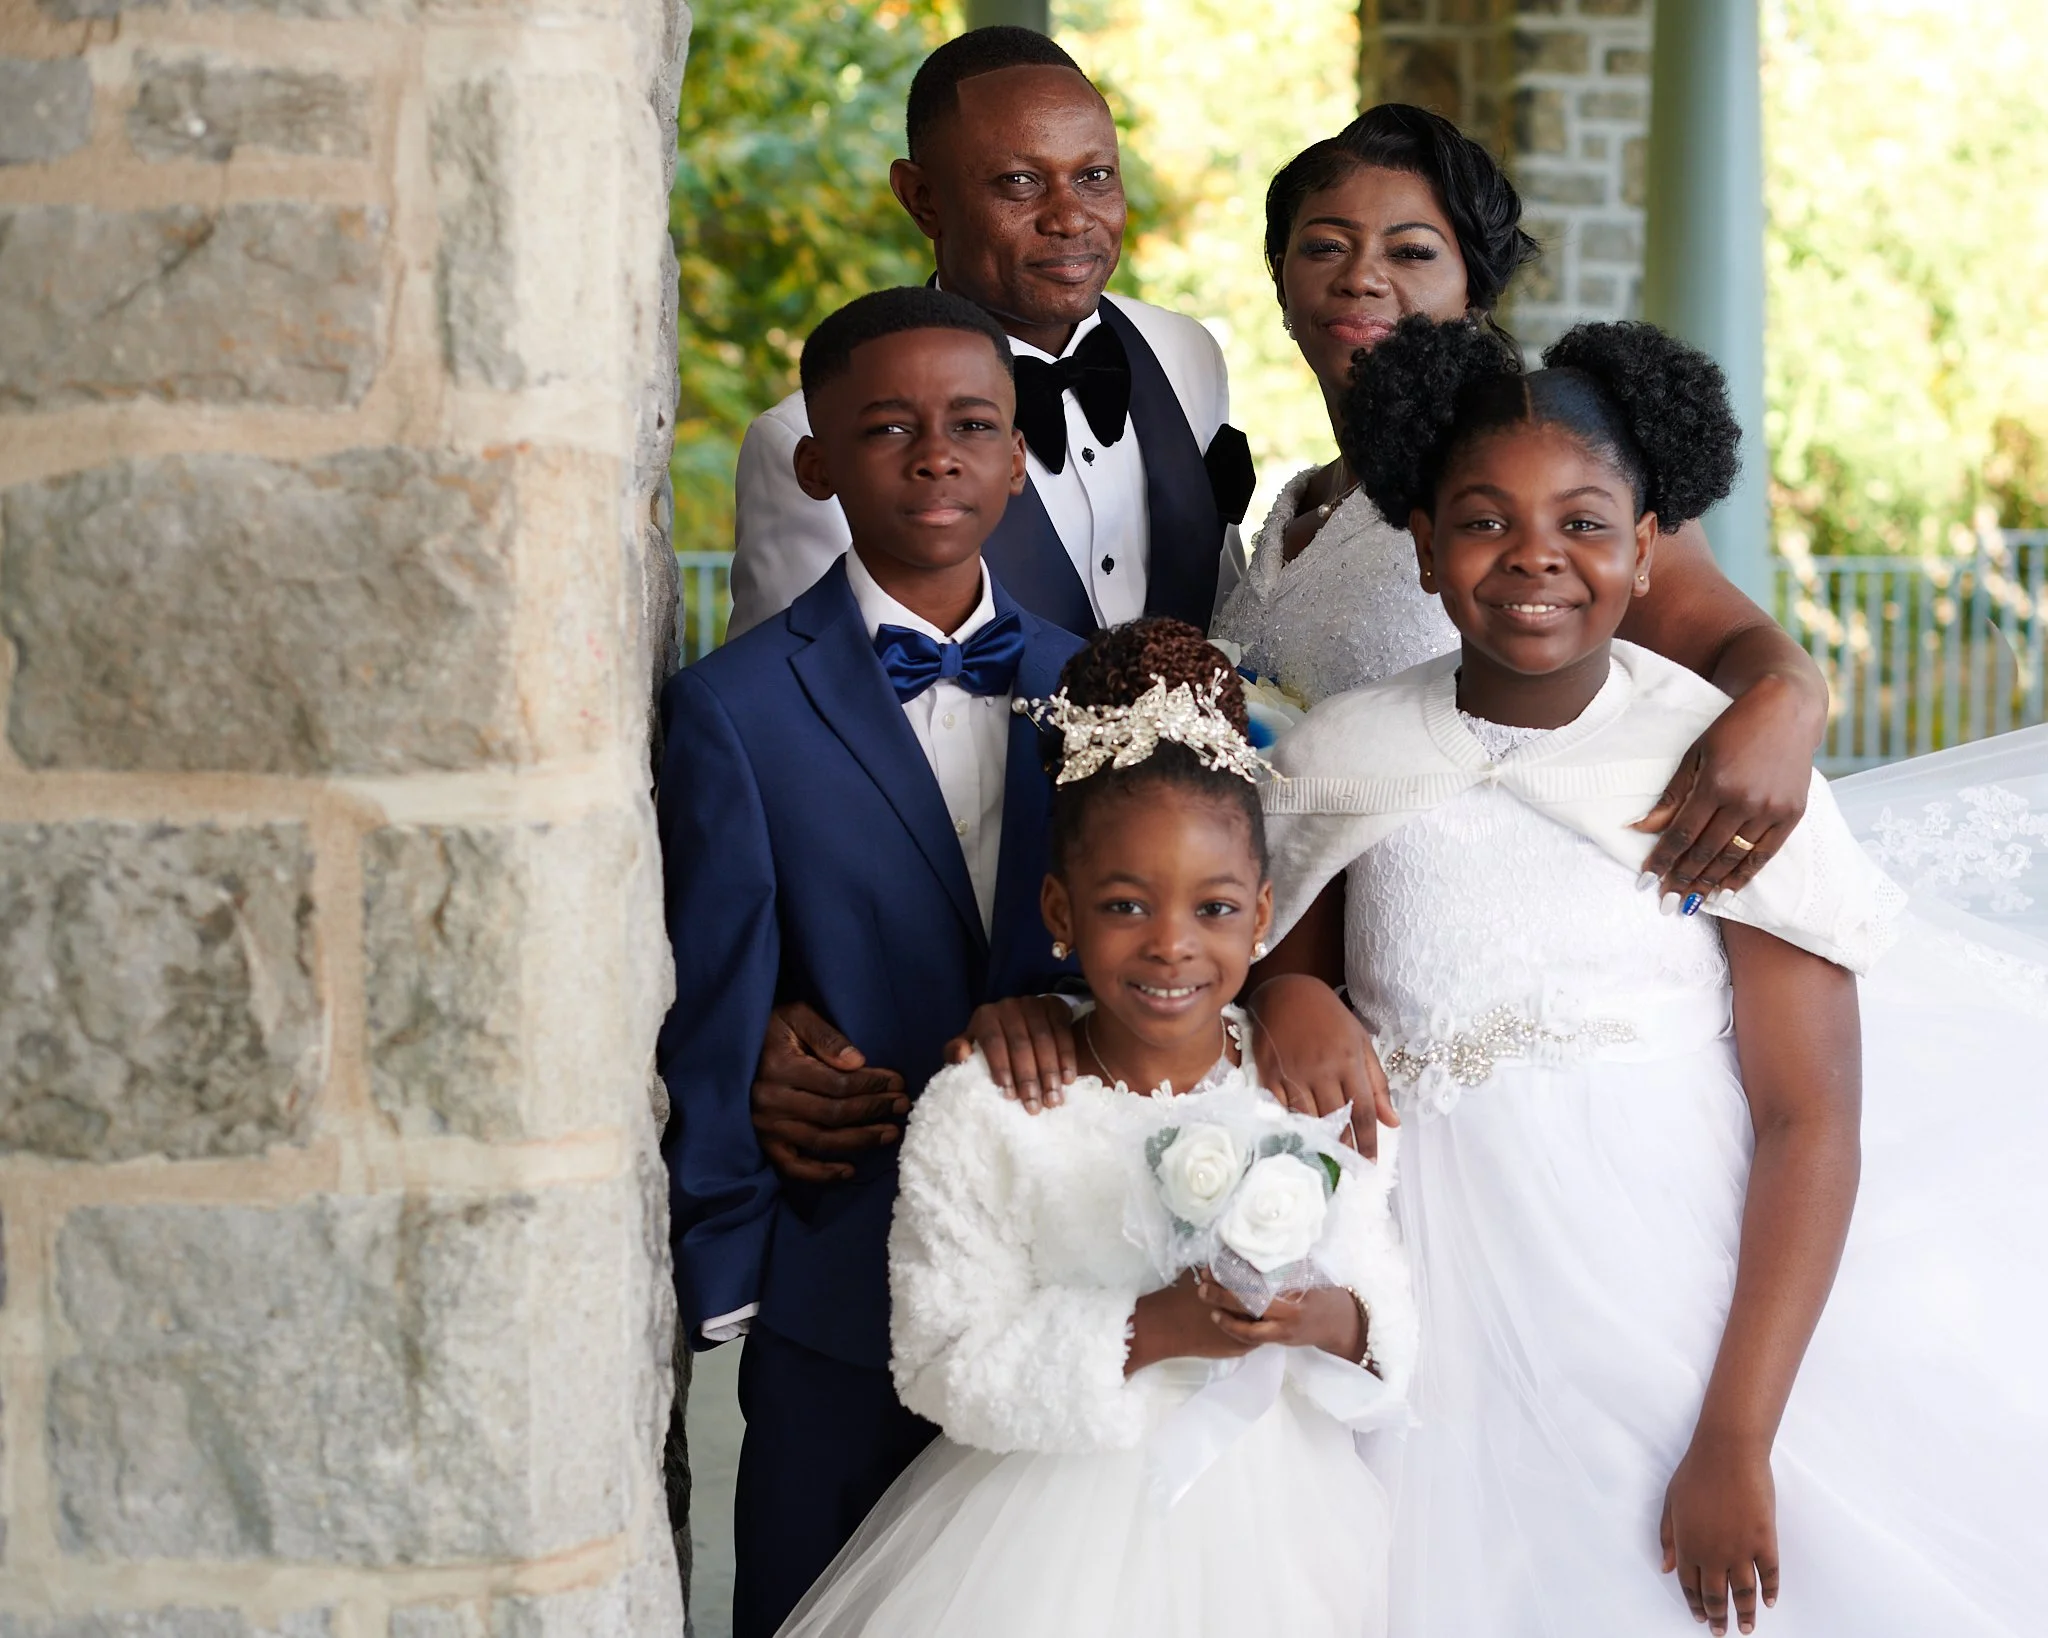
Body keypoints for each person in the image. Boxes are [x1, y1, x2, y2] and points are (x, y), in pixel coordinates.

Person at [1258, 313, 2048, 1636]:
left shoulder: (1716, 767)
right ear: (1420, 540)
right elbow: (1286, 981)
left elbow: (1810, 1114)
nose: (1533, 560)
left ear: (1644, 548)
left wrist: (1738, 1432)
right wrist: (1290, 990)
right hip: (1424, 1287)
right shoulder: (1345, 753)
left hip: (1668, 1284)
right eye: (1482, 520)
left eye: (1582, 522)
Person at [776, 621, 1415, 1638]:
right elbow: (942, 1361)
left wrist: (1321, 1319)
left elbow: (1388, 1318)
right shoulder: (988, 1110)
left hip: (1287, 1534)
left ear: (1259, 917)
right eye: (1124, 905)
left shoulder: (1300, 1089)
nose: (1170, 945)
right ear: (1058, 913)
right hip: (1040, 1550)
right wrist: (1154, 1329)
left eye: (1211, 909)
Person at [656, 286, 1085, 1638]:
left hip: (1060, 1259)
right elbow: (717, 999)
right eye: (887, 427)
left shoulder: (1104, 688)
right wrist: (732, 1268)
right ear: (817, 462)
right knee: (813, 1601)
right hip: (840, 1276)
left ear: (1022, 456)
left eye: (972, 425)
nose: (936, 455)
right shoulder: (730, 710)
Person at [1213, 105, 1832, 904]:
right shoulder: (1301, 502)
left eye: (1411, 251)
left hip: (1480, 908)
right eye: (1325, 246)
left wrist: (1790, 706)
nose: (1361, 275)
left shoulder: (1545, 472)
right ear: (1282, 280)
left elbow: (1741, 643)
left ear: (1474, 286)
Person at [729, 25, 1255, 643]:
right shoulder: (816, 434)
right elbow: (794, 700)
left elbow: (1222, 603)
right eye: (1019, 182)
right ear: (921, 198)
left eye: (1094, 176)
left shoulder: (1186, 352)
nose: (1069, 218)